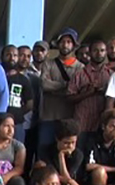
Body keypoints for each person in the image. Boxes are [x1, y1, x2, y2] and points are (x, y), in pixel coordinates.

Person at [38, 28, 83, 156]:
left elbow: (76, 90)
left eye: (69, 42)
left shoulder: (80, 67)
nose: (65, 44)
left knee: (66, 154)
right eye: (62, 41)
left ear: (74, 45)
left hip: (69, 119)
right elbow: (44, 84)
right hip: (48, 116)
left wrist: (56, 89)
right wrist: (65, 86)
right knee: (43, 151)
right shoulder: (48, 63)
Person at [67, 39, 112, 146]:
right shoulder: (79, 74)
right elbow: (69, 98)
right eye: (95, 50)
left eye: (102, 50)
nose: (99, 53)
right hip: (82, 123)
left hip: (101, 124)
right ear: (90, 53)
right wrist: (88, 93)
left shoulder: (111, 75)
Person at [1, 44, 33, 143]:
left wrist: (18, 112)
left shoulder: (24, 80)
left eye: (15, 55)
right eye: (8, 55)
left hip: (17, 124)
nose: (12, 58)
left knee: (18, 153)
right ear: (2, 57)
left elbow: (30, 104)